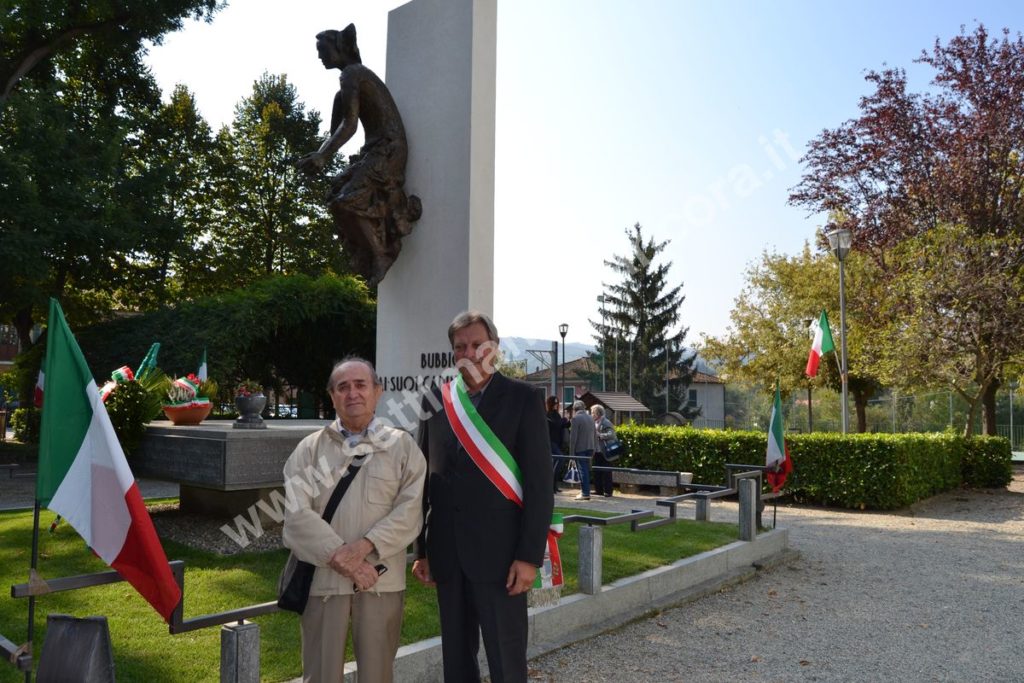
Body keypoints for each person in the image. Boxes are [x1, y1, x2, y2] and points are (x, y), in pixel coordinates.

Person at [413, 310, 553, 683]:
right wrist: (421, 551)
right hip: (447, 552)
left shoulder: (523, 399)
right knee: (456, 661)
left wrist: (528, 557)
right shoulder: (435, 401)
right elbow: (423, 483)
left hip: (502, 557)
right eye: (460, 347)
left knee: (506, 660)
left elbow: (540, 485)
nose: (469, 353)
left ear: (494, 348)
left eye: (478, 345)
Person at [282, 357, 427, 682]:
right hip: (324, 584)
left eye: (361, 385)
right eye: (343, 387)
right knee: (320, 675)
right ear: (332, 396)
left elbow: (410, 511)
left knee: (377, 675)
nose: (353, 393)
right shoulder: (308, 451)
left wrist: (363, 549)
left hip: (381, 582)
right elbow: (295, 516)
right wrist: (343, 558)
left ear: (377, 391)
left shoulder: (402, 447)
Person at [295, 24, 421, 286]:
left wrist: (322, 157)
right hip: (376, 151)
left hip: (388, 151)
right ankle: (368, 248)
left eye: (323, 50)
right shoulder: (346, 85)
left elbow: (350, 126)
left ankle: (381, 254)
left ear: (339, 48)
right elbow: (336, 131)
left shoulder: (353, 74)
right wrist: (320, 153)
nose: (320, 56)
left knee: (345, 201)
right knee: (335, 193)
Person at [568, 400, 597, 501]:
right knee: (586, 471)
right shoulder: (590, 418)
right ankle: (585, 491)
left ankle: (585, 493)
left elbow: (573, 438)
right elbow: (594, 434)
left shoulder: (575, 419)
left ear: (575, 409)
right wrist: (595, 448)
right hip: (590, 447)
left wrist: (571, 454)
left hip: (580, 448)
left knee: (582, 471)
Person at [591, 404, 616, 497]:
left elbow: (612, 434)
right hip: (597, 451)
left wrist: (600, 435)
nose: (591, 414)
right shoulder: (594, 422)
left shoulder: (606, 422)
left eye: (593, 412)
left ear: (598, 413)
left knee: (607, 472)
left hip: (605, 451)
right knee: (596, 471)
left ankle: (608, 491)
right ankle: (599, 490)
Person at [546, 395, 569, 492]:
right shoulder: (547, 415)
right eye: (554, 403)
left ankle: (554, 486)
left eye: (557, 403)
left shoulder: (557, 414)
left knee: (557, 463)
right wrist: (564, 421)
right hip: (551, 442)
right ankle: (551, 485)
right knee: (560, 459)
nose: (556, 405)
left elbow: (561, 425)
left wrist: (567, 422)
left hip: (557, 442)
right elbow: (556, 424)